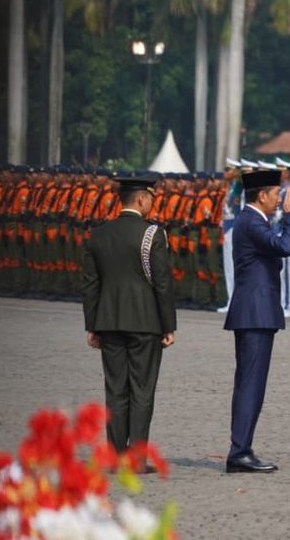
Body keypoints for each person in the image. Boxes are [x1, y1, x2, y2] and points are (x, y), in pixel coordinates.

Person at [81, 174, 176, 464]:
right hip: (145, 323)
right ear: (142, 199)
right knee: (142, 391)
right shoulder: (152, 234)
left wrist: (93, 325)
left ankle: (114, 454)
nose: (152, 204)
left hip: (109, 321)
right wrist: (168, 325)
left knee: (115, 390)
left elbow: (90, 283)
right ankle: (135, 458)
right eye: (151, 198)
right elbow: (162, 283)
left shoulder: (98, 234)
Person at [224, 168, 290, 473]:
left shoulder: (254, 220)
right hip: (254, 313)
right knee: (250, 385)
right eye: (275, 194)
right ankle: (239, 451)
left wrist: (284, 219)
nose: (279, 199)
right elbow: (284, 247)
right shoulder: (251, 220)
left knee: (251, 385)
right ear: (261, 195)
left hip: (257, 311)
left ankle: (242, 448)